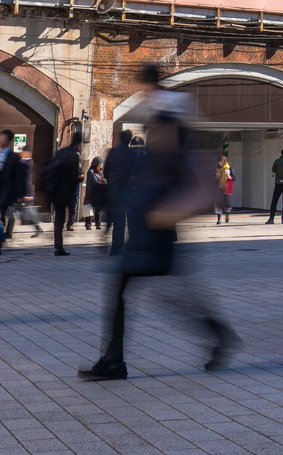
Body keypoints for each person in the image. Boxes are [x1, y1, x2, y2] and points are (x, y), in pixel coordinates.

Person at [78, 76, 239, 381]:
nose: (155, 136)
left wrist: (172, 212)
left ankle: (218, 336)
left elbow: (200, 189)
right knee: (149, 294)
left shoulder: (177, 146)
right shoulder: (157, 144)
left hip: (159, 234)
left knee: (167, 298)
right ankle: (116, 360)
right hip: (145, 234)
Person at [0, 128, 28, 254]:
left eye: (2, 138)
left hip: (6, 190)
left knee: (3, 216)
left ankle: (2, 237)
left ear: (7, 141)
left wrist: (21, 193)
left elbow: (19, 176)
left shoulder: (13, 157)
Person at [42, 133, 83, 256]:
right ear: (79, 142)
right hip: (67, 192)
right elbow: (74, 176)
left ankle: (58, 246)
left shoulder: (61, 152)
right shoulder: (75, 155)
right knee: (68, 215)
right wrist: (79, 178)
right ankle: (60, 245)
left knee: (59, 219)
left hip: (56, 191)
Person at [84, 156, 109, 230]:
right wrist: (87, 196)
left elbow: (102, 180)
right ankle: (88, 224)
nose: (101, 165)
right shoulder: (91, 172)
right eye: (100, 163)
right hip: (93, 193)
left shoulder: (100, 172)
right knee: (90, 208)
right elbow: (88, 184)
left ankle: (98, 224)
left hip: (99, 193)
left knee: (98, 209)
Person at [215, 155, 234, 225]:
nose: (221, 163)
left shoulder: (229, 168)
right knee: (218, 203)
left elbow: (234, 178)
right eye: (220, 162)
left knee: (227, 203)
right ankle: (219, 219)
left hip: (227, 187)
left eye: (222, 161)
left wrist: (229, 177)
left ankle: (227, 216)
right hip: (219, 187)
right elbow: (214, 178)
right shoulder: (217, 169)